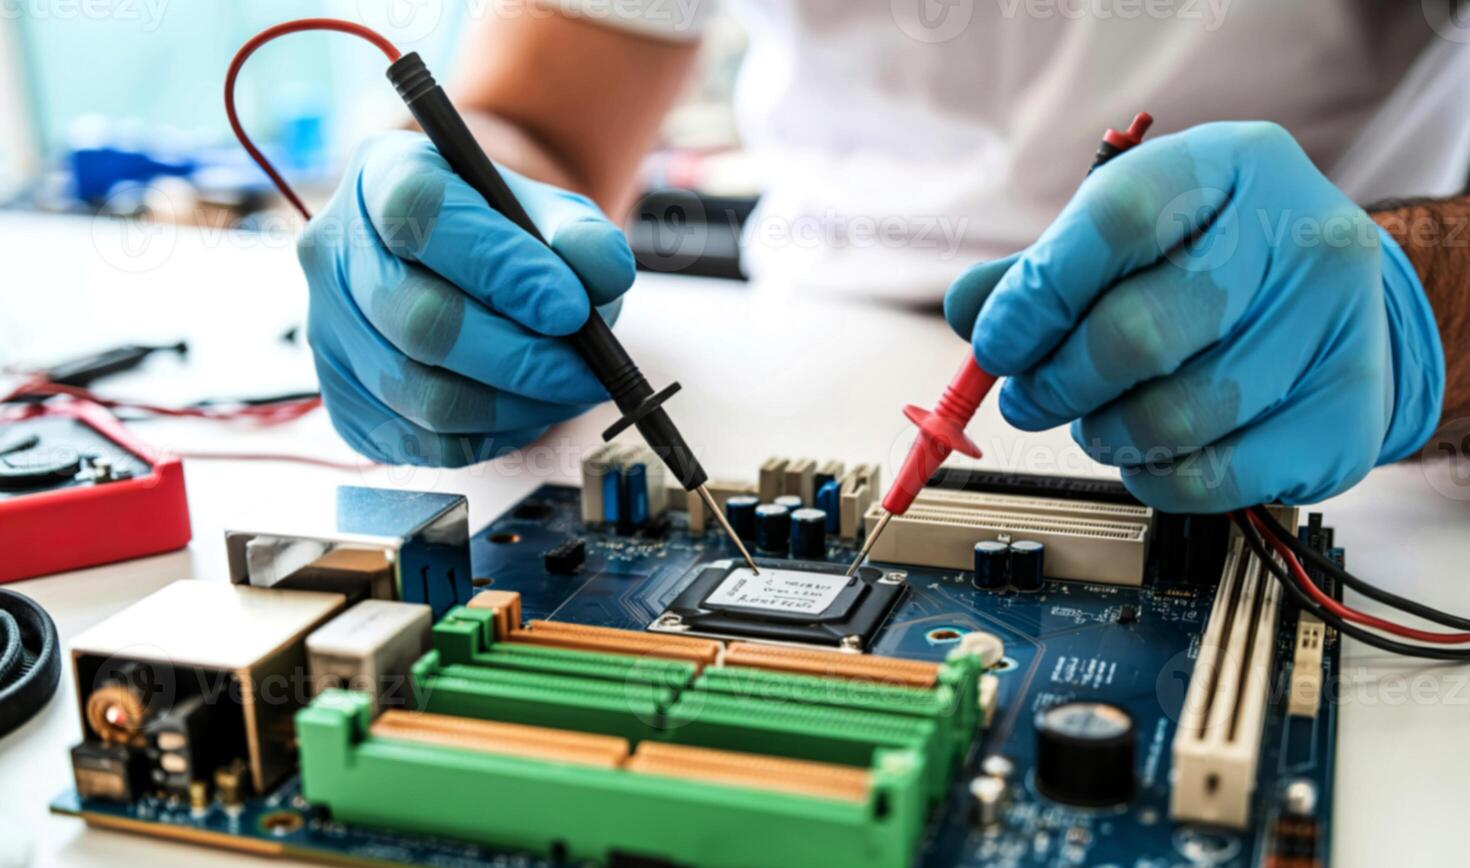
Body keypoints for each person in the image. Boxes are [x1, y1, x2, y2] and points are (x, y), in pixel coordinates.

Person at [297, 1, 1469, 512]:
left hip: (1318, 428)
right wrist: (444, 218)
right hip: (796, 361)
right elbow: (539, 122)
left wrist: (1410, 303)